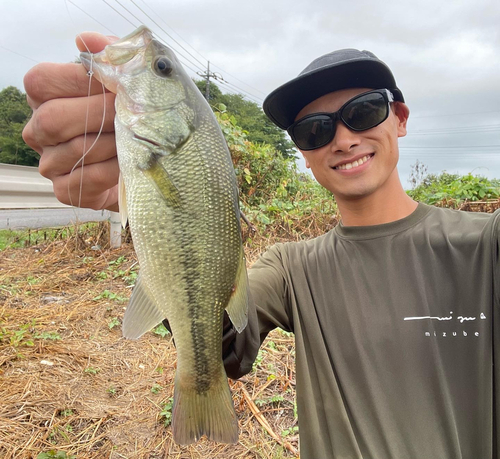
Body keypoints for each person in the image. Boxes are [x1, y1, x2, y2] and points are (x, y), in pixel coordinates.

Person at [22, 34, 500, 459]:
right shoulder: (294, 269)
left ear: (399, 118)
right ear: (304, 152)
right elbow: (227, 350)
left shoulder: (484, 245)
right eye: (315, 129)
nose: (345, 138)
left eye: (364, 111)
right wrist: (158, 227)